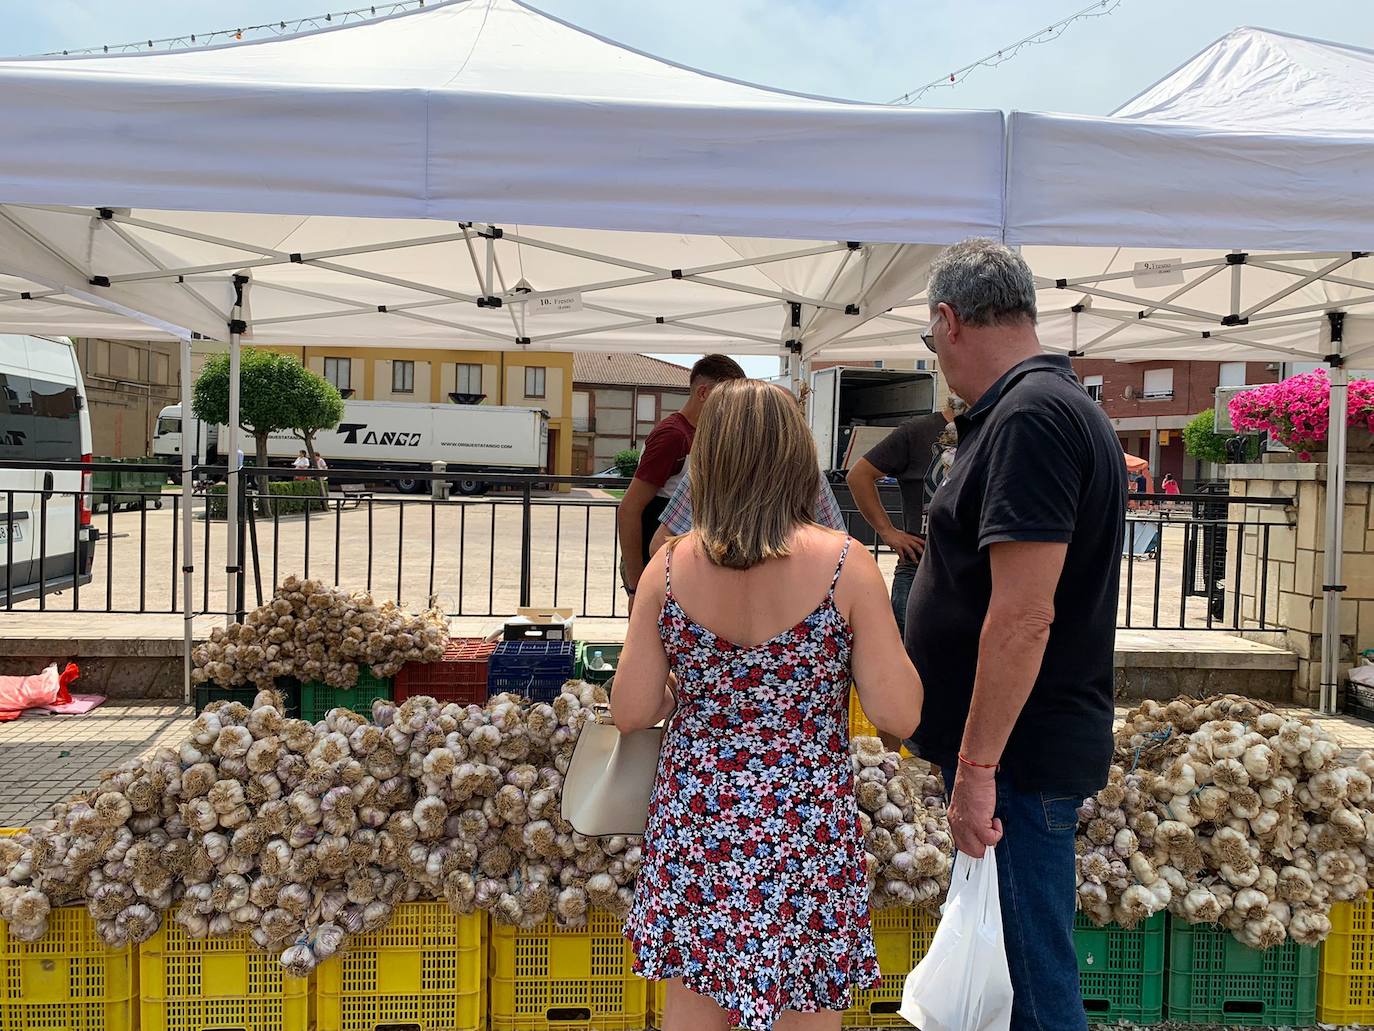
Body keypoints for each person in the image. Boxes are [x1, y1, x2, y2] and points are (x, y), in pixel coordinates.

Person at [613, 379, 921, 1031]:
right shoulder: (847, 564)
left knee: (695, 999)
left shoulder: (665, 568)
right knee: (804, 1003)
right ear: (795, 457)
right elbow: (898, 714)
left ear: (710, 461)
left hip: (701, 818)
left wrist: (692, 680)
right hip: (803, 820)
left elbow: (632, 709)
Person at [907, 239, 1125, 1031]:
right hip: (1021, 756)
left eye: (933, 344)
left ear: (948, 320)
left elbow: (1024, 614)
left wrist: (975, 768)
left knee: (1032, 985)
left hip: (1019, 761)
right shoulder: (1041, 407)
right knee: (1020, 971)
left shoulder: (1032, 416)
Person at [618, 355, 746, 612]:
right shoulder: (672, 436)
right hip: (655, 562)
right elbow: (629, 509)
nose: (734, 408)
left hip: (677, 563)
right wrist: (636, 586)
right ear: (703, 393)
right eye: (729, 399)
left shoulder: (700, 433)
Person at [846, 395, 965, 637]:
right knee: (906, 658)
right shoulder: (917, 431)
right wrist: (888, 532)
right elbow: (859, 475)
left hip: (971, 571)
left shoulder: (994, 427)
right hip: (918, 568)